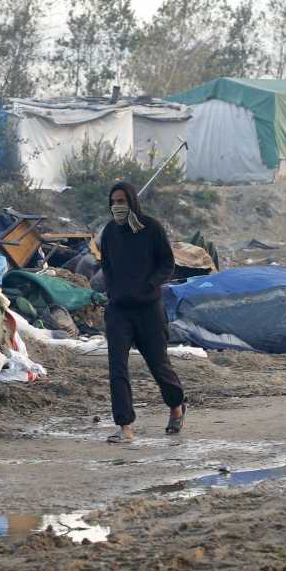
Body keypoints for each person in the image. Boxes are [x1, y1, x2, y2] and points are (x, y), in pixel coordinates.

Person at [100, 181, 186, 443]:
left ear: (132, 202)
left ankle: (176, 405)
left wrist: (149, 284)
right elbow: (107, 266)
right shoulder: (110, 232)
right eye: (113, 202)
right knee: (117, 368)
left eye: (122, 201)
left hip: (148, 309)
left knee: (159, 365)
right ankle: (125, 427)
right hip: (119, 311)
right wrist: (113, 292)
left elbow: (167, 263)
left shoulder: (151, 228)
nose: (117, 207)